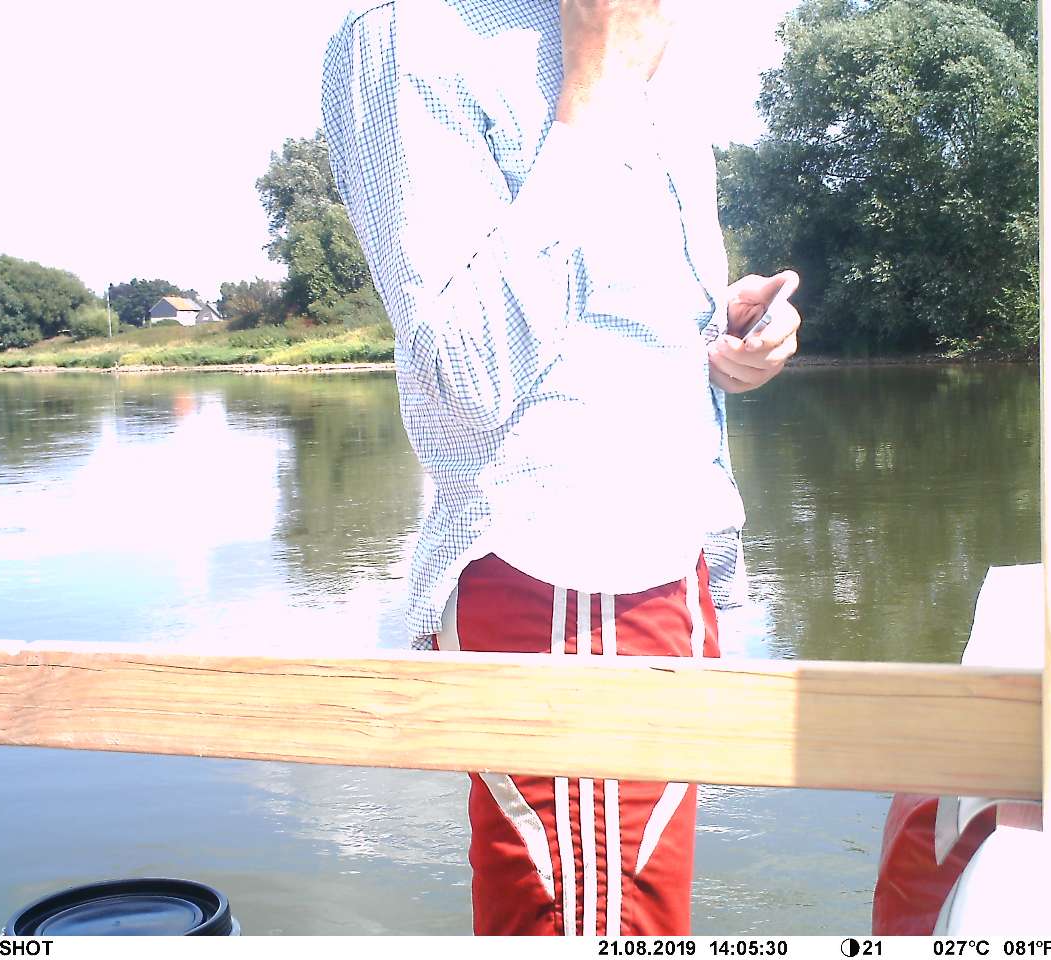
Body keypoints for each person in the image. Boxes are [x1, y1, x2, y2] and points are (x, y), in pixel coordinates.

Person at [322, 0, 801, 937]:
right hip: (568, 586)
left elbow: (606, 321)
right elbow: (462, 372)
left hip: (674, 561)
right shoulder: (413, 35)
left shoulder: (631, 23)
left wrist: (723, 331)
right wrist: (597, 88)